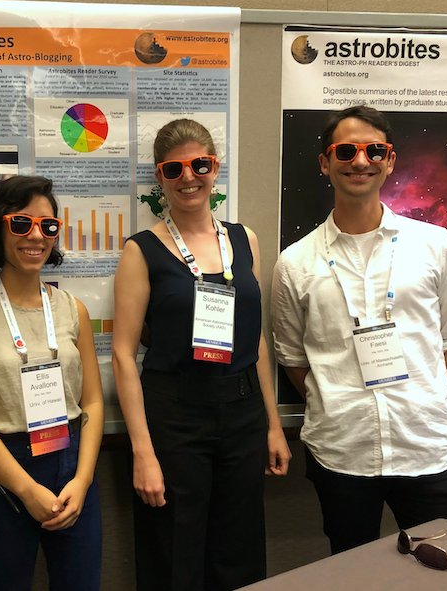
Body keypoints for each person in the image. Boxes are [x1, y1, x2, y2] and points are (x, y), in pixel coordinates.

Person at [271, 105, 447, 554]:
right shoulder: (295, 262)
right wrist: (341, 402)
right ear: (325, 163)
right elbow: (292, 358)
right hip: (341, 453)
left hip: (426, 447)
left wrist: (421, 395)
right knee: (351, 575)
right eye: (346, 151)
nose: (360, 162)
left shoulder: (435, 245)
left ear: (390, 160)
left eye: (374, 151)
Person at [112, 119, 291, 591]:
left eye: (200, 164)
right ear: (160, 176)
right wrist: (143, 452)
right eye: (175, 169)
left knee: (240, 548)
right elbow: (124, 356)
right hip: (175, 417)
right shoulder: (142, 251)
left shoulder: (244, 240)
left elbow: (256, 343)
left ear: (215, 168)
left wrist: (272, 424)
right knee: (175, 550)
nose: (188, 176)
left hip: (242, 412)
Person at [0, 175, 104, 590]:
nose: (37, 236)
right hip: (2, 473)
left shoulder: (74, 310)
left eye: (48, 226)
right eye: (22, 224)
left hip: (71, 467)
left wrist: (83, 480)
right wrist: (26, 489)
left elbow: (93, 403)